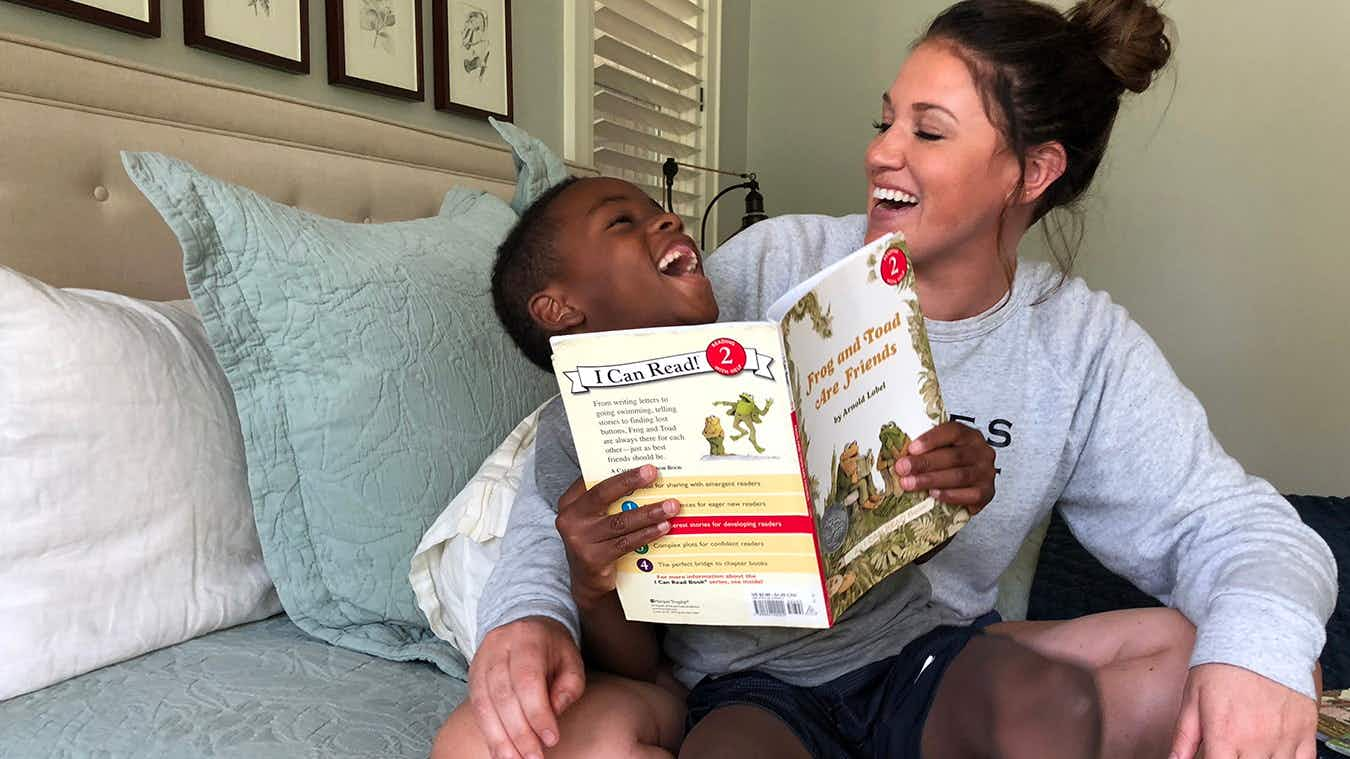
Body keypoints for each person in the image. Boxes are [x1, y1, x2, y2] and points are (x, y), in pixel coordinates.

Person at [440, 0, 1337, 757]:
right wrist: (530, 612)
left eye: (928, 131)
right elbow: (575, 439)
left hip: (927, 648)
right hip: (751, 675)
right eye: (886, 120)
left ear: (1033, 171)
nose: (881, 153)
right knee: (485, 738)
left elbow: (1237, 526)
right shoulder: (774, 261)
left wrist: (1260, 652)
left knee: (1222, 651)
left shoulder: (1082, 344)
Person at [434, 173, 1000, 759]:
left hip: (904, 646)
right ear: (558, 308)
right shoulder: (570, 437)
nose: (669, 220)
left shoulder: (768, 366)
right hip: (752, 693)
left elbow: (886, 536)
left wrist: (941, 487)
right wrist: (590, 583)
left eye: (660, 209)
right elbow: (639, 661)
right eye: (621, 222)